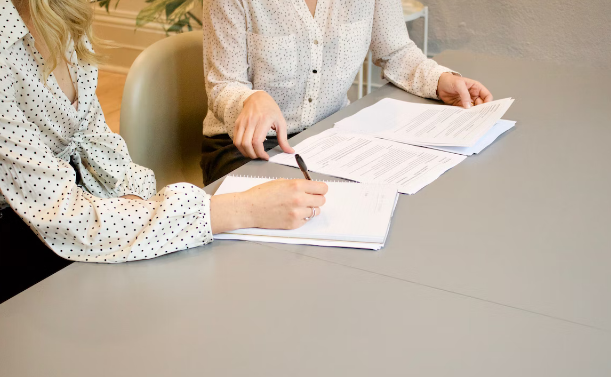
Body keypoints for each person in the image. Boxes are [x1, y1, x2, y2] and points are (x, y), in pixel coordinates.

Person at [0, 0, 328, 303]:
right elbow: (64, 216)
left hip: (72, 212)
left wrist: (131, 202)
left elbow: (97, 142)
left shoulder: (60, 14)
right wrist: (242, 210)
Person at [201, 0, 494, 184]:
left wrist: (439, 79)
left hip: (329, 138)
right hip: (245, 147)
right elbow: (223, 85)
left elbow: (395, 50)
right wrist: (250, 100)